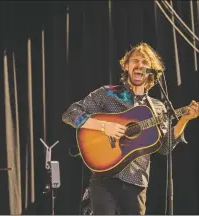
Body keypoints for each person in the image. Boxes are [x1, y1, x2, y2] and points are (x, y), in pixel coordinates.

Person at [62, 42, 198, 215]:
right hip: (104, 178)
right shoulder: (108, 93)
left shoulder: (158, 108)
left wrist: (184, 120)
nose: (140, 65)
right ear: (126, 66)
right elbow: (70, 113)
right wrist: (104, 126)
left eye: (145, 62)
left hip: (137, 182)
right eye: (135, 60)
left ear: (152, 70)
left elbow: (164, 147)